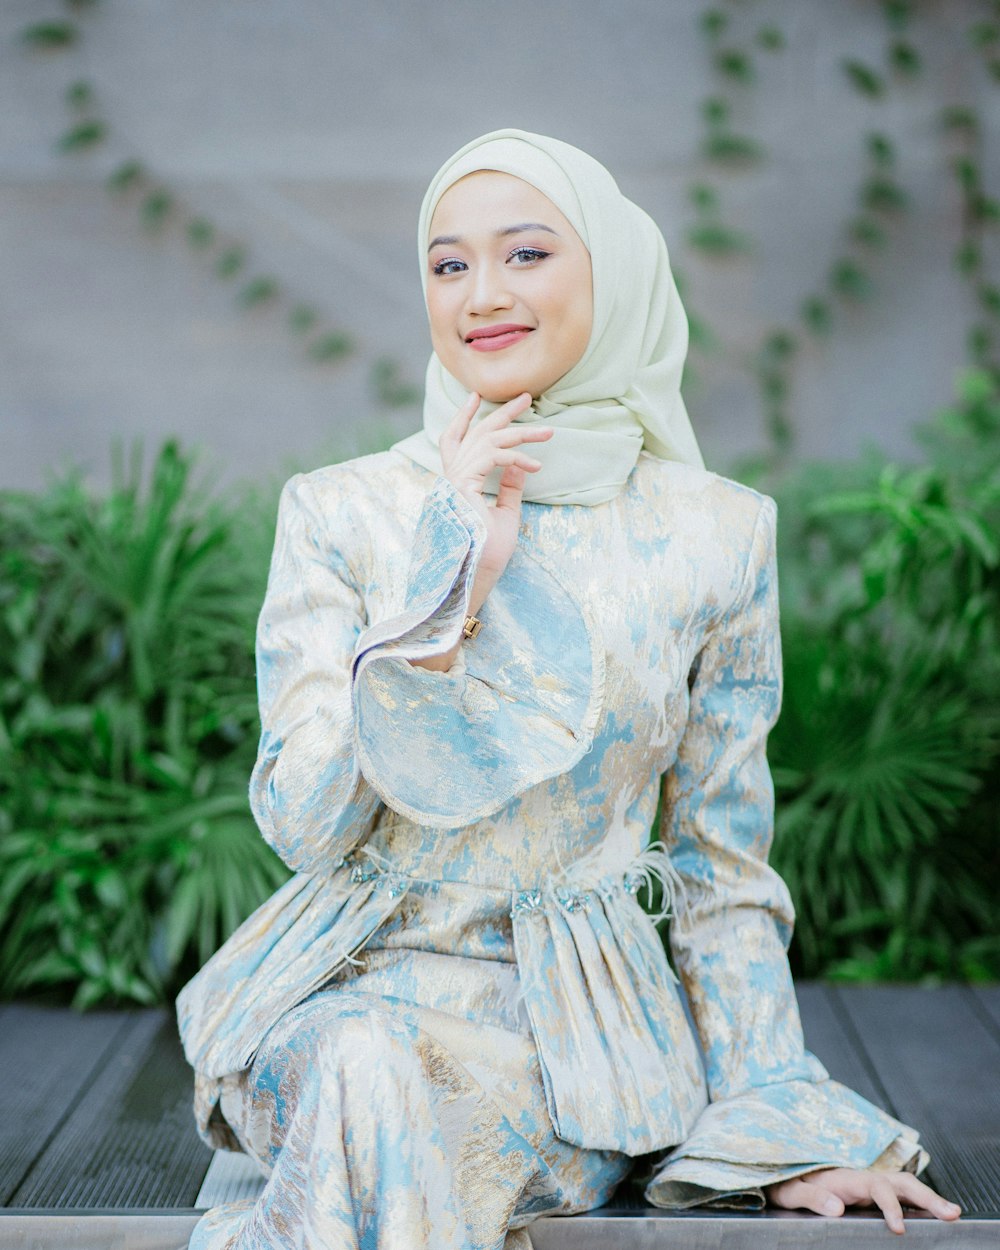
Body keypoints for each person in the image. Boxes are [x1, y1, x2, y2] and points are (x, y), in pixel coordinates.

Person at [176, 129, 962, 1249]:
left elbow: (718, 865)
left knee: (379, 1124)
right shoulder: (341, 510)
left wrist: (776, 1112)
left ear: (612, 272)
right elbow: (302, 820)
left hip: (574, 1049)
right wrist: (448, 573)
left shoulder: (715, 533)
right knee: (362, 1070)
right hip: (337, 1000)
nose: (480, 293)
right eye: (447, 264)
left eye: (526, 254)